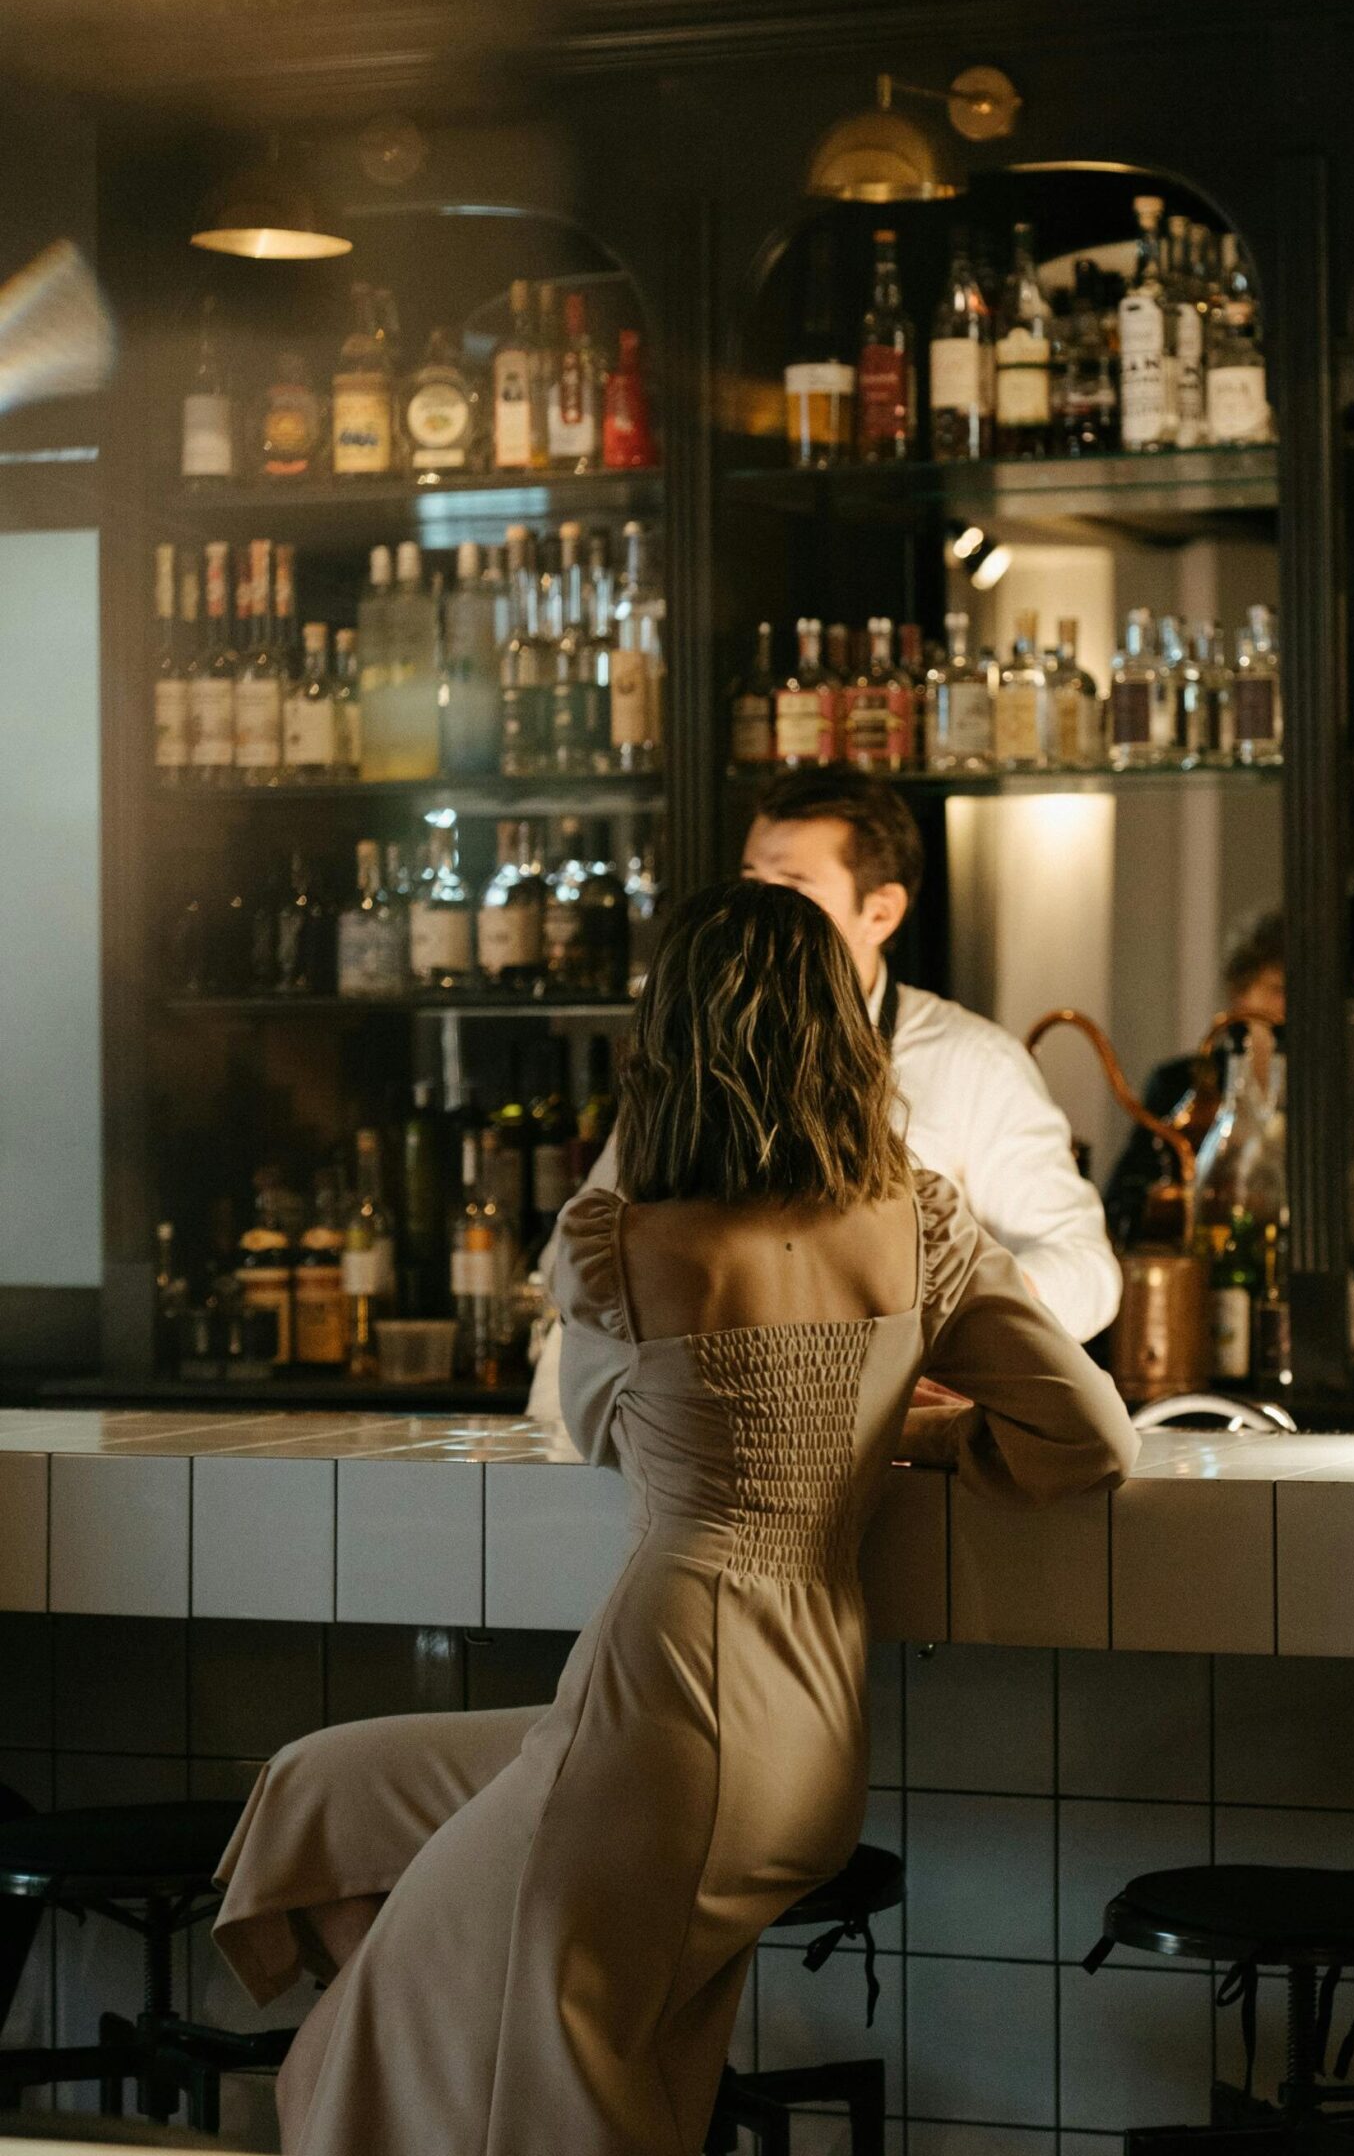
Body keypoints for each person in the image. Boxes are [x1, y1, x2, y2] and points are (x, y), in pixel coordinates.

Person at [213, 880, 1136, 2156]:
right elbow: (1088, 1436)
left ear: (674, 1036)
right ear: (840, 1032)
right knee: (334, 1795)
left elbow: (597, 1422)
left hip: (657, 1714)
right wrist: (910, 1430)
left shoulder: (619, 1243)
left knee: (429, 2030)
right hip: (804, 1732)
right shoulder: (922, 1226)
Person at [529, 766, 1120, 1421]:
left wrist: (950, 1318)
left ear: (881, 911)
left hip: (867, 1449)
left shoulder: (973, 1063)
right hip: (647, 1432)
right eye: (752, 884)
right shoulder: (698, 1046)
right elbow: (576, 1253)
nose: (759, 915)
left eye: (792, 889)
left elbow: (1086, 1270)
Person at [1104, 908, 1286, 1245]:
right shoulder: (1178, 1084)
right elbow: (1124, 1196)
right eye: (1278, 989)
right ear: (1241, 993)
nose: (1289, 1005)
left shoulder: (1323, 1093)